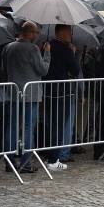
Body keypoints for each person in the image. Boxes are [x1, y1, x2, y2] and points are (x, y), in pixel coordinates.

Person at [1, 21, 51, 173]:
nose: (37, 36)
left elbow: (3, 67)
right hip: (31, 95)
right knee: (29, 128)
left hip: (13, 93)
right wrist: (47, 54)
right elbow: (43, 70)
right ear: (29, 33)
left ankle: (9, 163)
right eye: (36, 33)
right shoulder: (33, 49)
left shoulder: (8, 47)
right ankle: (26, 163)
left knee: (11, 127)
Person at [43, 24, 81, 169]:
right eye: (69, 31)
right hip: (61, 92)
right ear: (62, 32)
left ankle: (49, 156)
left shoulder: (47, 46)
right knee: (58, 126)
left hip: (48, 91)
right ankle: (53, 159)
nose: (71, 34)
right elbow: (75, 70)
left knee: (50, 125)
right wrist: (74, 54)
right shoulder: (65, 49)